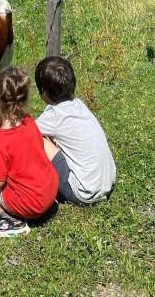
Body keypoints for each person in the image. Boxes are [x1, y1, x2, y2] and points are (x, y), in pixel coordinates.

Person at [0, 66, 58, 238]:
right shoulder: (29, 121)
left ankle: (12, 221)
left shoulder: (0, 142)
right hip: (50, 190)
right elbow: (18, 142)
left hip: (33, 206)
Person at [35, 56, 116, 206]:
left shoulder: (55, 116)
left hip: (83, 192)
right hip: (107, 181)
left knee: (37, 139)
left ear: (43, 91)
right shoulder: (78, 105)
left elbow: (24, 132)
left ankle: (38, 184)